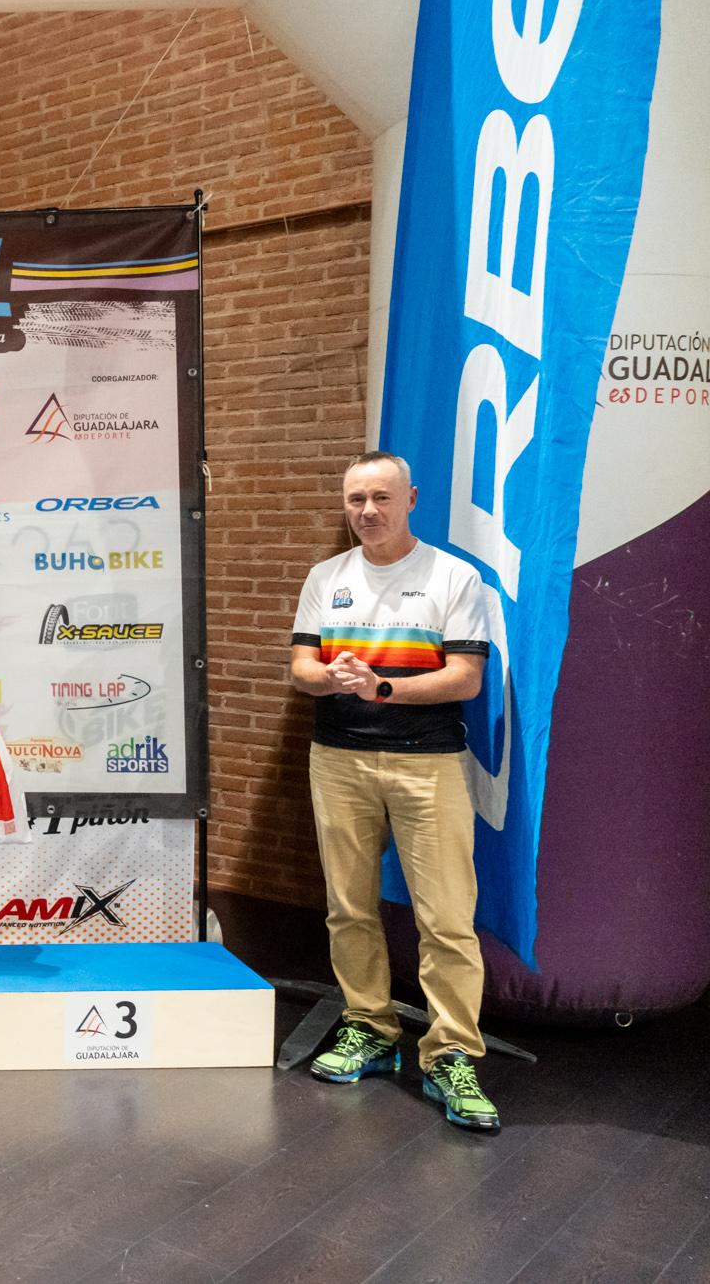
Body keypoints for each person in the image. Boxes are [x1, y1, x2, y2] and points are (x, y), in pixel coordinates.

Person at [290, 450, 499, 1132]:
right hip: (338, 759)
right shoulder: (326, 577)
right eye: (356, 499)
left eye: (382, 497)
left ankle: (451, 1054)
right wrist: (330, 676)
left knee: (447, 918)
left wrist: (381, 687)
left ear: (411, 498)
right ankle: (370, 1029)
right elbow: (301, 667)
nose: (368, 511)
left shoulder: (453, 575)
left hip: (428, 763)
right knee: (349, 906)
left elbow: (465, 677)